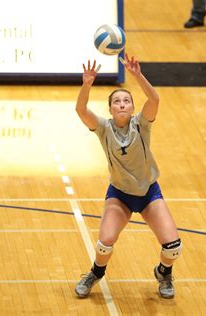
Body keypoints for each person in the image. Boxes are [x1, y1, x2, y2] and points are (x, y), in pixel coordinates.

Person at [74, 56, 182, 299]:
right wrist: (87, 84)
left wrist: (138, 76)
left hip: (148, 193)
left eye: (126, 101)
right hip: (120, 195)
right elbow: (80, 110)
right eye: (117, 102)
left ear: (132, 108)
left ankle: (163, 272)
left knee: (173, 247)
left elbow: (154, 99)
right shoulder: (103, 128)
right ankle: (95, 273)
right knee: (105, 243)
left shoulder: (142, 124)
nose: (122, 104)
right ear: (110, 108)